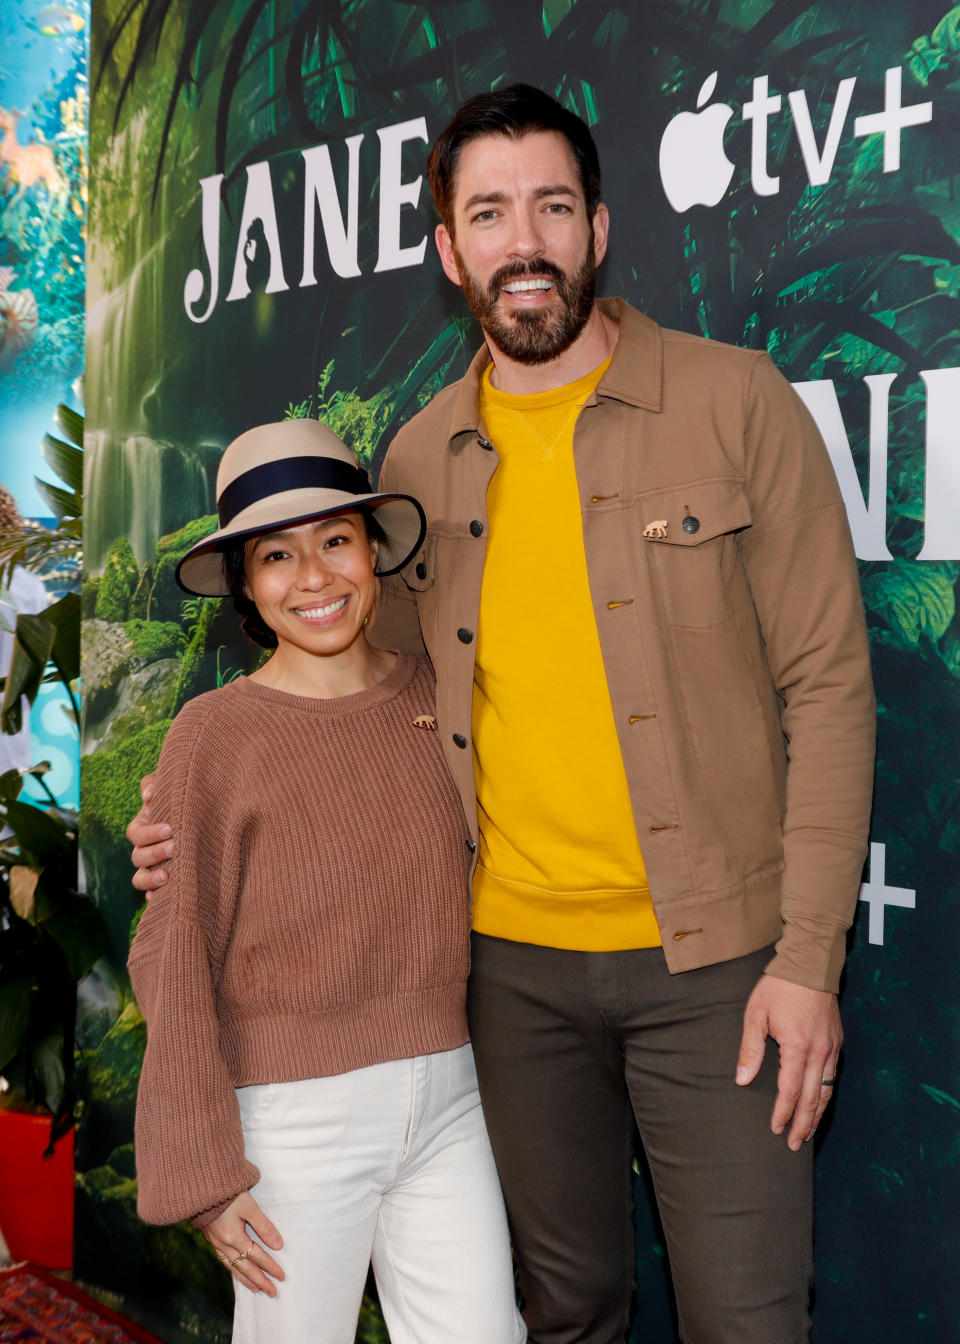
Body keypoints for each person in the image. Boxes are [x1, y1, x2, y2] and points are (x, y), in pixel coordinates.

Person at [130, 87, 876, 1343]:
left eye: (548, 206)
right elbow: (373, 696)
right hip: (509, 984)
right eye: (487, 212)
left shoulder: (737, 405)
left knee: (750, 1317)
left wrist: (807, 961)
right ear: (449, 250)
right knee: (562, 1312)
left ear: (595, 227)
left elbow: (830, 687)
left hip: (718, 969)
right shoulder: (419, 461)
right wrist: (183, 819)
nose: (520, 239)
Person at [127, 418, 526, 1344]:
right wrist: (204, 1170)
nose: (312, 578)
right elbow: (172, 949)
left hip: (450, 1099)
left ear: (373, 552)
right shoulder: (212, 734)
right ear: (245, 585)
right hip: (290, 1127)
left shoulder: (439, 694)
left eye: (335, 541)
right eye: (276, 556)